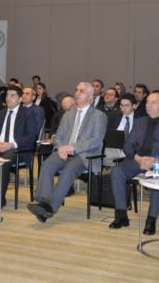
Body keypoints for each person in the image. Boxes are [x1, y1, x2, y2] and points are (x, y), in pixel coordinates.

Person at [27, 82, 106, 222]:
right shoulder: (68, 114)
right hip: (64, 152)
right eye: (76, 90)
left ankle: (49, 208)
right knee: (47, 165)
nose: (77, 93)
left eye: (81, 91)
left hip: (85, 154)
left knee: (68, 170)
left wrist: (72, 147)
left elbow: (96, 140)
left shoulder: (98, 116)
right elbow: (58, 137)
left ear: (90, 97)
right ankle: (43, 202)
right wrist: (60, 147)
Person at [108, 91, 159, 233]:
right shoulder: (140, 121)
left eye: (154, 102)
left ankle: (151, 220)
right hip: (139, 160)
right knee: (117, 171)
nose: (149, 105)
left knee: (158, 178)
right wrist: (137, 157)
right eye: (148, 102)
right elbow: (128, 145)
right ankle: (121, 215)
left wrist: (155, 159)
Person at [103, 93, 135, 166]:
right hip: (113, 148)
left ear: (134, 106)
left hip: (131, 149)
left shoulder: (139, 119)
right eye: (121, 105)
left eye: (127, 105)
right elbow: (107, 134)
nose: (123, 108)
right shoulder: (113, 116)